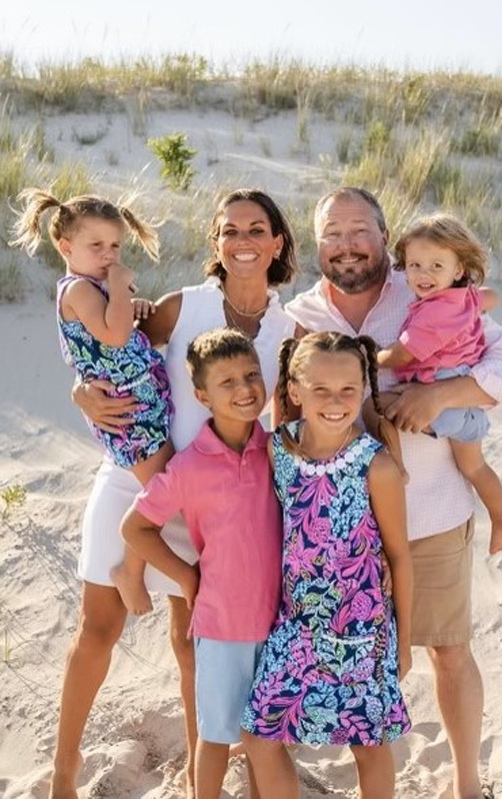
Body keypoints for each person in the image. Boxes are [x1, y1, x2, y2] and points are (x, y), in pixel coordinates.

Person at [43, 188, 297, 799]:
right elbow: (109, 349)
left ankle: (194, 771)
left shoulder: (291, 328)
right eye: (229, 229)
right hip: (137, 481)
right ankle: (64, 768)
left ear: (277, 243)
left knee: (191, 645)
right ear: (214, 242)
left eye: (256, 229)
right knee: (97, 628)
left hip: (219, 507)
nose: (242, 240)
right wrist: (81, 390)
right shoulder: (183, 307)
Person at [283, 187, 502, 799]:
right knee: (350, 660)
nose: (347, 244)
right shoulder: (302, 315)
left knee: (448, 650)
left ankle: (467, 784)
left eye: (359, 230)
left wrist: (441, 396)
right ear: (318, 244)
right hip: (339, 533)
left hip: (431, 511)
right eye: (332, 233)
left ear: (383, 235)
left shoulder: (426, 289)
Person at [241, 332, 412, 799]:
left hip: (360, 629)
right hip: (295, 626)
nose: (336, 402)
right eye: (321, 390)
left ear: (363, 389)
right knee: (259, 733)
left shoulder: (375, 467)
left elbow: (400, 555)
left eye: (348, 391)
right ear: (295, 391)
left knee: (368, 742)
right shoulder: (279, 449)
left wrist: (404, 640)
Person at [122, 328, 283, 799]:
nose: (244, 388)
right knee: (214, 734)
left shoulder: (276, 450)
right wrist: (185, 575)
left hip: (280, 623)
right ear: (201, 395)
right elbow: (135, 529)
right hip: (221, 623)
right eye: (227, 382)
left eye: (251, 375)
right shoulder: (190, 467)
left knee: (268, 738)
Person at [10, 190, 174, 616]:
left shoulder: (95, 289)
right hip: (126, 413)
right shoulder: (78, 290)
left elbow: (120, 328)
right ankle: (130, 569)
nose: (109, 255)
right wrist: (120, 288)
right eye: (96, 246)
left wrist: (128, 303)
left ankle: (133, 564)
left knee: (168, 485)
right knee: (166, 489)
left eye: (115, 246)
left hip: (142, 405)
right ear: (65, 248)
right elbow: (114, 336)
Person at [371, 213, 502, 555]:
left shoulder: (435, 313)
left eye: (437, 266)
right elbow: (491, 297)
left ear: (459, 269)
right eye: (416, 265)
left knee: (377, 408)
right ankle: (500, 518)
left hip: (441, 390)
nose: (424, 274)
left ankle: (399, 469)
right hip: (460, 396)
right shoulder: (461, 297)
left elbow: (403, 355)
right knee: (474, 466)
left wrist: (372, 357)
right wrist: (473, 303)